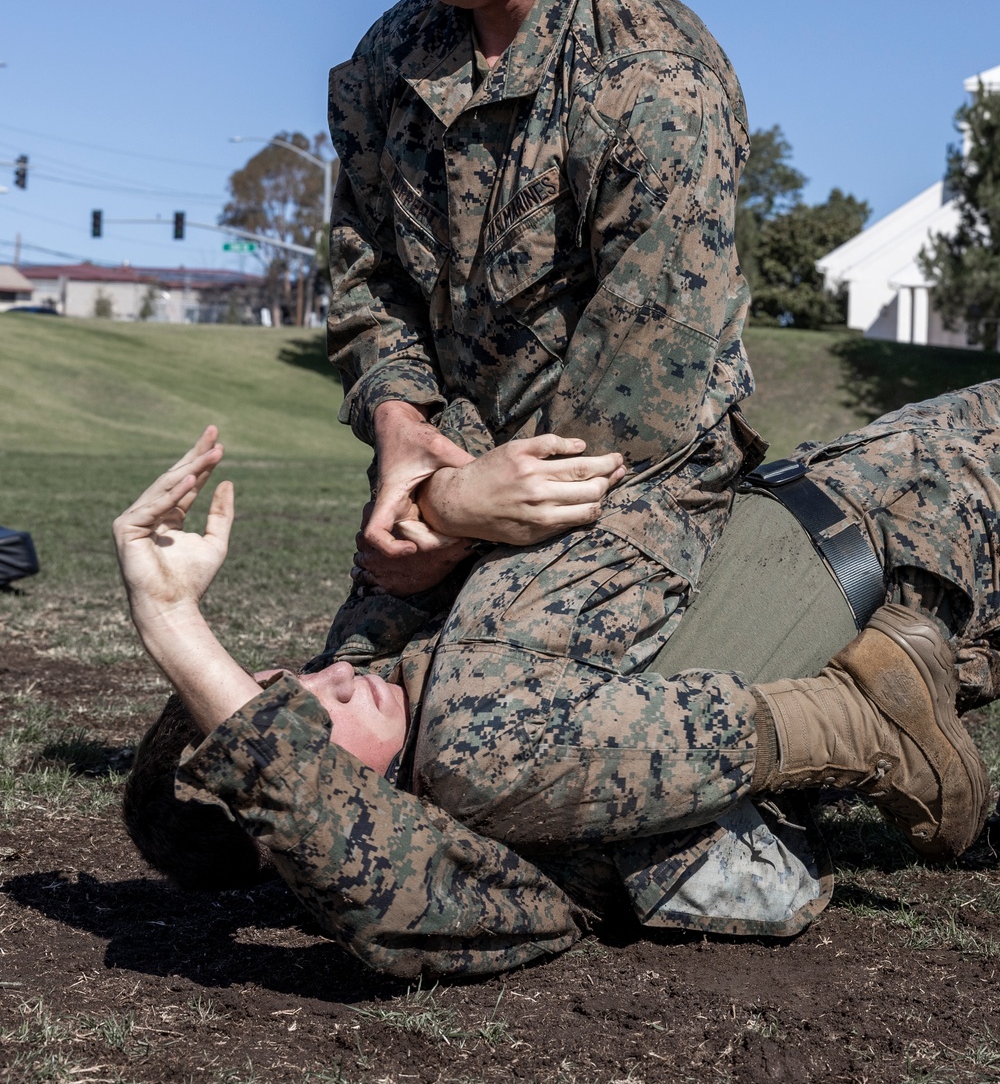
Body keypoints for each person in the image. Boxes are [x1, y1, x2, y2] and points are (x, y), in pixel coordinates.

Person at [116, 387, 996, 979]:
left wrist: (439, 509)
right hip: (933, 555)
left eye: (293, 679)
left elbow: (416, 489)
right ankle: (867, 726)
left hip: (872, 468)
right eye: (299, 726)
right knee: (464, 739)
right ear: (294, 832)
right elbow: (354, 871)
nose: (333, 680)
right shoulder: (453, 862)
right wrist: (168, 623)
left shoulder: (377, 673)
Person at [320, 0, 763, 712]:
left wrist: (450, 512)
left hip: (631, 502)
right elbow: (367, 278)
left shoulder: (652, 77)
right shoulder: (386, 63)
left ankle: (840, 712)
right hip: (452, 484)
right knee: (322, 733)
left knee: (468, 730)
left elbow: (633, 411)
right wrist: (399, 426)